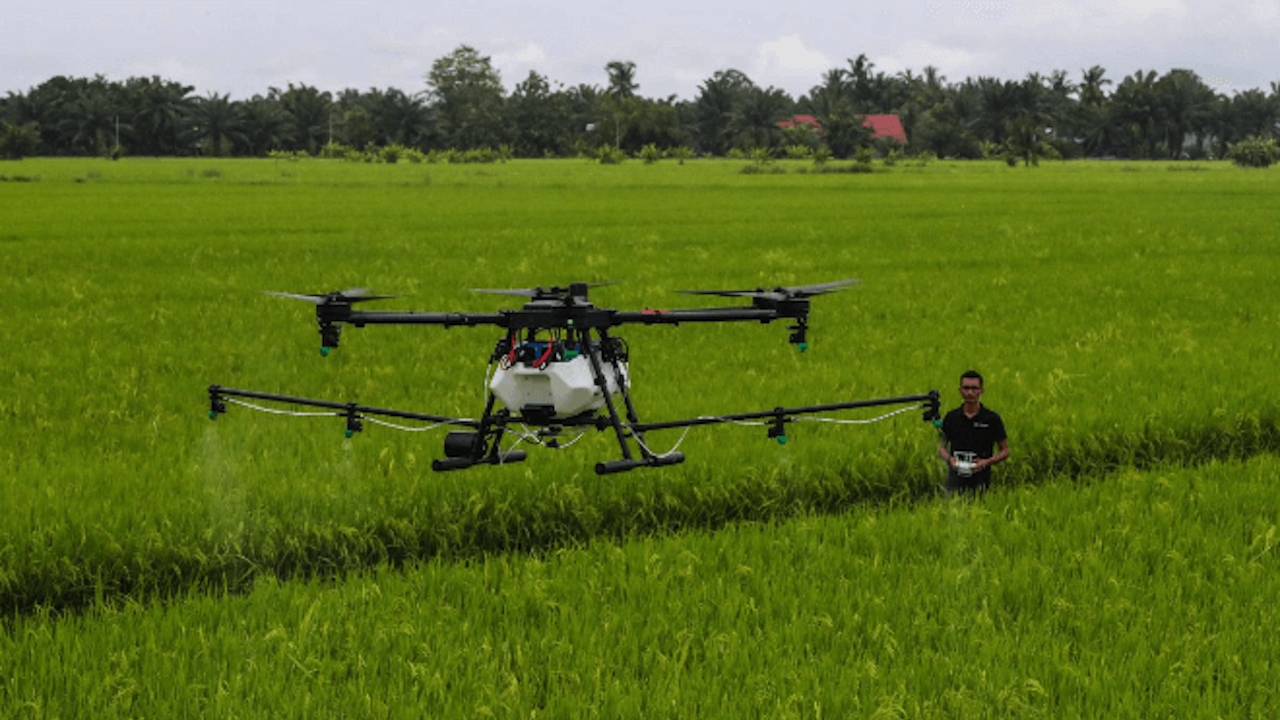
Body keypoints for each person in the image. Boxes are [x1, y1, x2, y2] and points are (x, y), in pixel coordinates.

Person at [938, 370, 1009, 495]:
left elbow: (1004, 450)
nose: (970, 393)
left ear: (981, 391)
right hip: (955, 480)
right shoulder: (952, 417)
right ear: (960, 390)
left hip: (981, 480)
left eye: (974, 388)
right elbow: (941, 447)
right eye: (966, 388)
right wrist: (950, 459)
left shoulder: (992, 419)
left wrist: (986, 462)